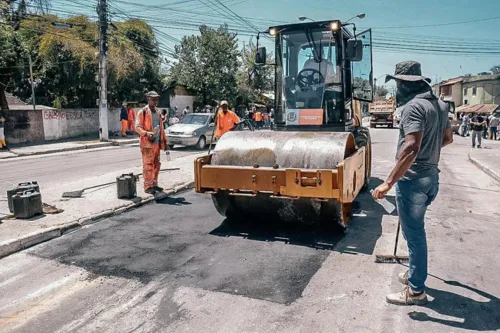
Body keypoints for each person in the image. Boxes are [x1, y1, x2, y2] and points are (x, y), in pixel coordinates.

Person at [373, 61, 453, 306]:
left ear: (406, 84)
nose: (396, 88)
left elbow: (410, 147)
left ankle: (416, 290)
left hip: (414, 181)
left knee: (414, 235)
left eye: (398, 83)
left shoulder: (413, 107)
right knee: (415, 231)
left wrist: (388, 182)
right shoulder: (439, 104)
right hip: (431, 178)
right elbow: (448, 138)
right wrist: (427, 153)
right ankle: (414, 274)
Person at [135, 91, 168, 194]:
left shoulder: (158, 112)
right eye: (153, 99)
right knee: (148, 165)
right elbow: (137, 127)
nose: (155, 101)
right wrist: (146, 133)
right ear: (148, 99)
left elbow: (161, 129)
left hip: (157, 144)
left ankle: (154, 184)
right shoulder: (143, 112)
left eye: (156, 99)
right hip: (147, 144)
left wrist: (164, 142)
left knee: (156, 165)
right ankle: (148, 186)